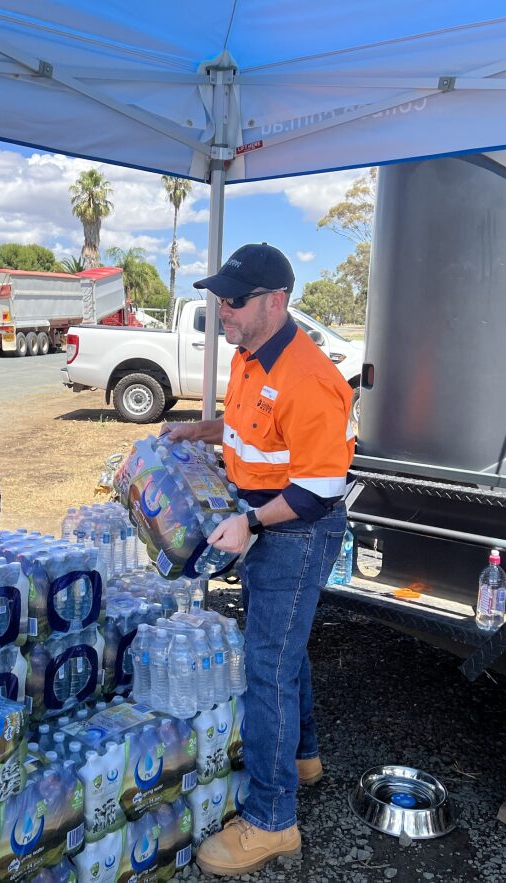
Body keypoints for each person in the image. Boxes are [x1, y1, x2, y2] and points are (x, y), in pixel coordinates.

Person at [167, 243, 355, 877]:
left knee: (266, 667)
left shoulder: (311, 379)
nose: (223, 311)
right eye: (220, 298)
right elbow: (250, 429)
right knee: (285, 649)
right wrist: (202, 431)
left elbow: (319, 490)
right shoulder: (250, 358)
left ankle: (273, 821)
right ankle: (303, 757)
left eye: (236, 301)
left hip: (296, 533)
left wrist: (247, 520)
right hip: (264, 523)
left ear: (276, 302)